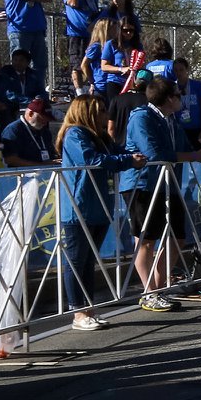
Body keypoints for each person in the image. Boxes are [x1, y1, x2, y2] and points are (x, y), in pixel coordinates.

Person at [56, 95, 145, 331]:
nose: (107, 115)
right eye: (102, 110)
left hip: (99, 205)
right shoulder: (75, 134)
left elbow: (119, 150)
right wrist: (127, 161)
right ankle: (77, 311)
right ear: (88, 112)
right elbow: (91, 159)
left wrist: (132, 156)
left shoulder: (102, 137)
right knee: (76, 260)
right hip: (79, 206)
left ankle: (88, 308)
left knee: (88, 261)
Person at [121, 77, 201, 311]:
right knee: (146, 240)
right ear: (170, 98)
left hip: (168, 183)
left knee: (178, 236)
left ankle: (158, 288)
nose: (182, 98)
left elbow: (183, 147)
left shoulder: (171, 119)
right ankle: (150, 293)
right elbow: (154, 152)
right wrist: (193, 157)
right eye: (178, 94)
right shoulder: (142, 117)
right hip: (142, 184)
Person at [0, 0, 53, 97]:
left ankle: (38, 94)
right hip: (19, 28)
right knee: (19, 64)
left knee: (40, 65)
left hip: (38, 28)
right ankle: (17, 94)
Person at [62, 0, 100, 93]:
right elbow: (72, 3)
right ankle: (79, 92)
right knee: (76, 64)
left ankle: (92, 87)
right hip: (75, 34)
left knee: (91, 62)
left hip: (92, 35)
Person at [0, 97, 58, 168]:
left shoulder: (44, 131)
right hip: (21, 175)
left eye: (47, 119)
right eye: (42, 118)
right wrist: (40, 166)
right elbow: (10, 159)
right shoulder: (13, 130)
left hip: (45, 172)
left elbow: (50, 153)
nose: (45, 123)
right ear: (31, 114)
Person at [108, 68, 152, 145]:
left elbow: (111, 128)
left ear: (134, 80)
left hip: (119, 149)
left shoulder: (117, 99)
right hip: (140, 149)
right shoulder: (150, 102)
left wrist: (112, 147)